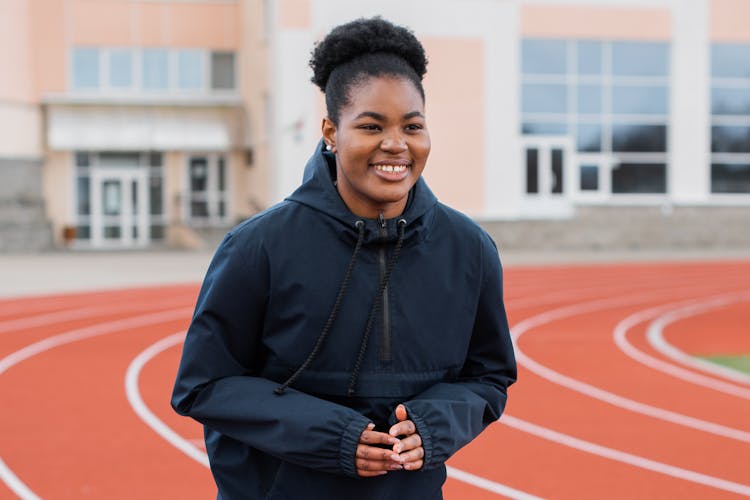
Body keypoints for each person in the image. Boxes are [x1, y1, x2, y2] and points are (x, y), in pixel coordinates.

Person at [171, 16, 516, 500]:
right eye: (372, 126)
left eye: (412, 126)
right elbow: (203, 385)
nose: (396, 144)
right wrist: (331, 437)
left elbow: (489, 377)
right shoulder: (259, 246)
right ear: (332, 131)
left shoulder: (469, 249)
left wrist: (434, 424)